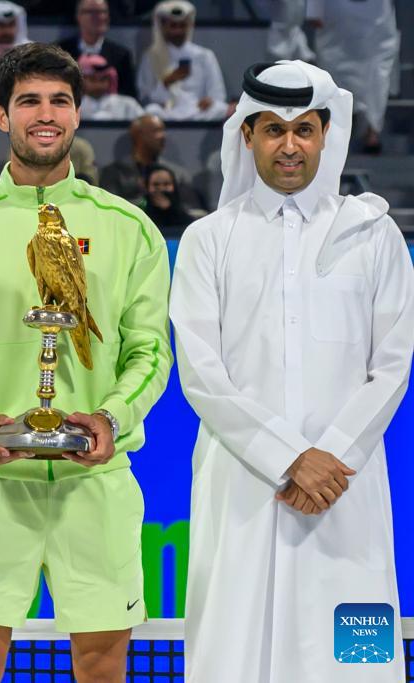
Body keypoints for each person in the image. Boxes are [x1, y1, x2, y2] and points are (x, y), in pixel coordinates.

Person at [0, 42, 172, 683]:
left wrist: (112, 417)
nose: (45, 115)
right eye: (28, 102)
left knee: (103, 665)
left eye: (59, 101)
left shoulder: (130, 228)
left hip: (97, 483)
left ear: (78, 115)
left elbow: (150, 350)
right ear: (2, 116)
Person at [171, 60, 413, 683]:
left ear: (326, 135)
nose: (289, 145)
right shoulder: (208, 239)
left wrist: (330, 458)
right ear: (247, 135)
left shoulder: (373, 234)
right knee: (232, 650)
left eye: (304, 129)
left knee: (354, 656)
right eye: (274, 130)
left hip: (344, 486)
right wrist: (289, 458)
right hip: (244, 484)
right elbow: (201, 372)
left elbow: (392, 365)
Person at [309, 0, 399, 153]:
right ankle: (337, 126)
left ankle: (371, 128)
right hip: (337, 15)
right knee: (335, 64)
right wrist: (313, 9)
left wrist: (313, 10)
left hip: (375, 14)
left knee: (377, 68)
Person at [137, 0, 228, 121]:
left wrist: (209, 101)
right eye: (173, 25)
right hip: (166, 113)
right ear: (163, 26)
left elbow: (218, 95)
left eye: (182, 25)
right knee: (151, 110)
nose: (178, 30)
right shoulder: (151, 56)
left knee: (220, 108)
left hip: (199, 112)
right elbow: (145, 96)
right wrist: (167, 82)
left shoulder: (205, 55)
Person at [99, 113, 201, 208]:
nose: (162, 136)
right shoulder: (113, 173)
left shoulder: (179, 174)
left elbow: (192, 209)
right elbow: (110, 206)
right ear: (138, 135)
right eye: (156, 131)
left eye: (163, 131)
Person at [57, 0, 137, 99]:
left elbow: (129, 96)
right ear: (78, 16)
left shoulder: (121, 56)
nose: (98, 17)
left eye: (102, 12)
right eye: (91, 12)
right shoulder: (60, 53)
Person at [77, 53, 144, 121]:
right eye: (93, 79)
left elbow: (144, 122)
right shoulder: (74, 106)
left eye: (103, 79)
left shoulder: (128, 104)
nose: (98, 84)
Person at [142, 164, 192, 229]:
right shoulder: (142, 218)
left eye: (166, 184)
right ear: (147, 187)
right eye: (156, 184)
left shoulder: (187, 220)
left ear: (174, 186)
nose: (161, 189)